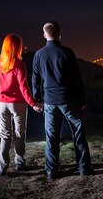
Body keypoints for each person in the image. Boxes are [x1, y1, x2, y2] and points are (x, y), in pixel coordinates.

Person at [32, 21, 92, 180]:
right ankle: (84, 167)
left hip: (50, 102)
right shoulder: (67, 52)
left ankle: (52, 171)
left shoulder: (39, 54)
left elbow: (35, 79)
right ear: (59, 34)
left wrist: (36, 99)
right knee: (78, 133)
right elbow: (76, 79)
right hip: (69, 100)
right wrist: (82, 99)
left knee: (51, 137)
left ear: (45, 34)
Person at [0, 33, 43, 176]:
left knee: (5, 135)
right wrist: (33, 103)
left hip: (1, 103)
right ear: (18, 47)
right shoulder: (19, 64)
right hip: (17, 104)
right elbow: (23, 87)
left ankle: (2, 168)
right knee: (19, 133)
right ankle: (20, 164)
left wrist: (1, 97)